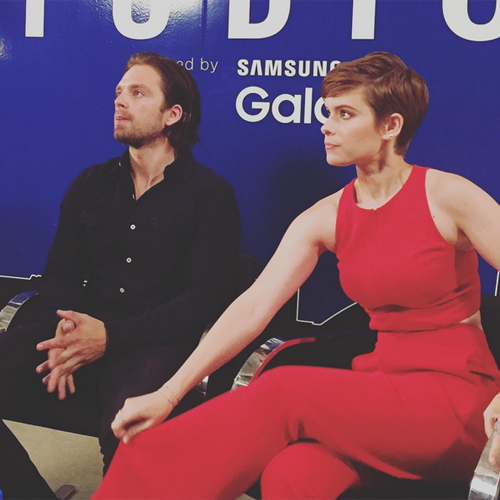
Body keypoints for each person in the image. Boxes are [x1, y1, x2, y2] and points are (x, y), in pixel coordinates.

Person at [93, 51, 500, 500]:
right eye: (327, 112)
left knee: (285, 391)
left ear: (390, 126)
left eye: (345, 114)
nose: (326, 126)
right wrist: (168, 395)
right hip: (380, 388)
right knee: (294, 474)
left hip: (456, 403)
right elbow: (253, 307)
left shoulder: (447, 195)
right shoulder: (326, 217)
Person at [0, 52, 240, 500]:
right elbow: (60, 273)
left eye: (137, 93)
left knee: (127, 424)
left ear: (172, 114)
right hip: (79, 328)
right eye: (119, 92)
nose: (120, 101)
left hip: (156, 341)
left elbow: (203, 298)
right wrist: (65, 329)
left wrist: (110, 337)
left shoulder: (210, 195)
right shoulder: (90, 184)